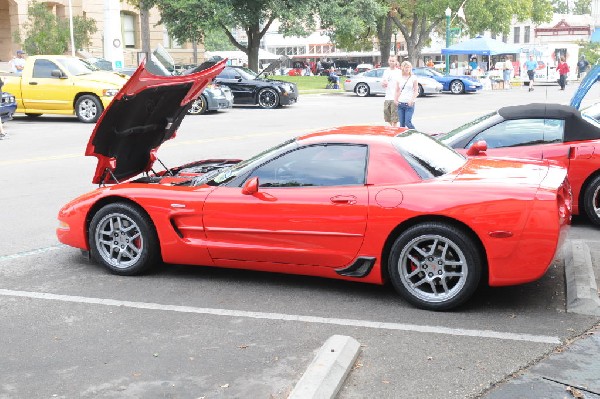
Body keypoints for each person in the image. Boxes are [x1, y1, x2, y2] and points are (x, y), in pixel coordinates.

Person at [394, 60, 419, 129]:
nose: (407, 69)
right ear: (402, 68)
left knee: (408, 122)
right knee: (402, 125)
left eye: (409, 67)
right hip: (401, 103)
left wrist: (412, 100)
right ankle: (403, 138)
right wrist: (395, 100)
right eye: (406, 67)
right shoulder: (399, 78)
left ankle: (416, 134)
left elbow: (416, 91)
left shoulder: (413, 78)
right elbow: (397, 90)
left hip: (409, 104)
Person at [382, 56, 401, 127]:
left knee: (394, 119)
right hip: (387, 97)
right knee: (387, 117)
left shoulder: (399, 72)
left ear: (396, 62)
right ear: (388, 61)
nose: (391, 62)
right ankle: (394, 128)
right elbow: (383, 83)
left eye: (393, 61)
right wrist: (384, 84)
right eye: (390, 61)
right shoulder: (386, 71)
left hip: (395, 97)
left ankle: (394, 130)